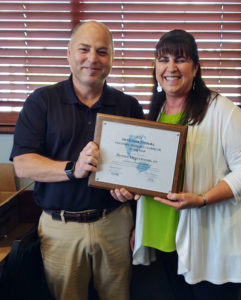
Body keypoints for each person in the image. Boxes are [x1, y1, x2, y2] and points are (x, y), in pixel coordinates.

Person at [10, 21, 144, 300]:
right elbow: (23, 164)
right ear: (69, 54)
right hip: (61, 228)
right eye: (84, 49)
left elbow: (139, 167)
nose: (92, 59)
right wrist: (72, 169)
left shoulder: (127, 105)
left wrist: (131, 188)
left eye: (102, 51)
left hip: (115, 223)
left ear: (112, 59)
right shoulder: (41, 102)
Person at [132, 29, 241, 300]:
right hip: (163, 233)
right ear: (155, 67)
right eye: (163, 59)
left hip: (209, 238)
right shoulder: (155, 112)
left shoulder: (223, 111)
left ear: (195, 68)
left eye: (180, 59)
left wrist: (203, 199)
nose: (170, 67)